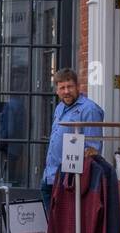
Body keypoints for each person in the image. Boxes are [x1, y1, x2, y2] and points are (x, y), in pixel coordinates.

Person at [41, 67, 104, 215]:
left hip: (69, 182)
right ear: (57, 90)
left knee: (67, 230)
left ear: (78, 87)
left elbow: (92, 151)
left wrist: (75, 183)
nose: (66, 91)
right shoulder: (60, 108)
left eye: (69, 87)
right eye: (62, 88)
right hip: (50, 176)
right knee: (53, 228)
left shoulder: (89, 110)